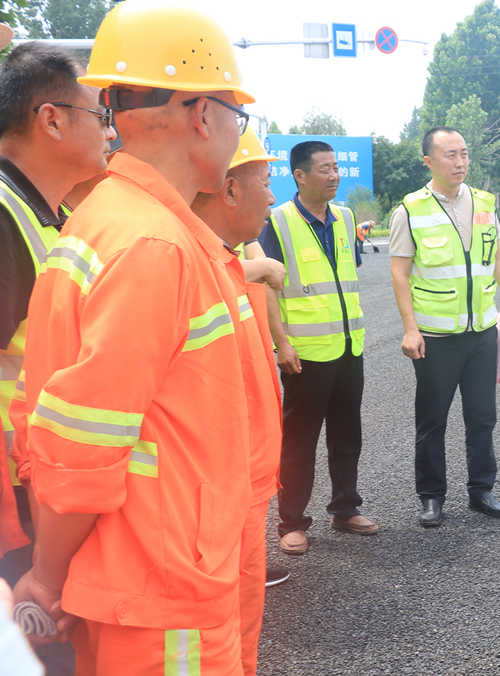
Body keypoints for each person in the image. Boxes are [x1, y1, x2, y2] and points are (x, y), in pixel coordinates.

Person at [12, 0, 260, 673]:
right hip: (163, 588)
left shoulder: (115, 220)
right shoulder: (154, 243)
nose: (236, 132)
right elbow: (85, 442)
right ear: (202, 114)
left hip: (149, 569)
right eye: (237, 115)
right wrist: (48, 575)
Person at [0, 40, 117, 674]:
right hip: (15, 502)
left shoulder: (57, 214)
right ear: (51, 119)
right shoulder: (4, 216)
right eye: (100, 115)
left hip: (44, 486)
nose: (110, 132)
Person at [389, 126, 500, 527]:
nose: (460, 161)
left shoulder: (484, 202)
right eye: (450, 154)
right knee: (432, 420)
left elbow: (498, 256)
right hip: (436, 338)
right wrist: (410, 329)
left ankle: (482, 490)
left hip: (482, 332)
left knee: (482, 416)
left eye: (464, 153)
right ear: (428, 161)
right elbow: (399, 274)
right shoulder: (410, 210)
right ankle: (431, 496)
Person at [189, 129, 284, 675]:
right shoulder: (193, 265)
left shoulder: (225, 259)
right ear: (229, 189)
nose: (272, 196)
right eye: (265, 182)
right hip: (220, 492)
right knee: (223, 627)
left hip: (245, 480)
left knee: (244, 619)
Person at [259, 140, 376, 555]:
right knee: (299, 441)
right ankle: (291, 522)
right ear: (300, 175)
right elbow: (267, 288)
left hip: (348, 346)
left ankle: (345, 508)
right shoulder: (276, 222)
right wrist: (281, 343)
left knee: (347, 434)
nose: (334, 176)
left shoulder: (345, 218)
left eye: (336, 168)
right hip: (304, 353)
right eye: (324, 169)